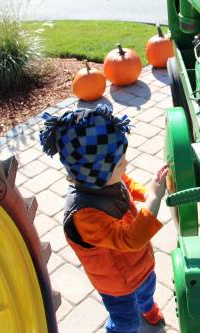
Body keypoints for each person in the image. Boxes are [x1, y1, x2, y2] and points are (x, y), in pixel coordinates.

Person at [39, 104, 168, 333]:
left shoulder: (105, 179)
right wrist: (155, 200)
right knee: (126, 322)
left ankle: (148, 308)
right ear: (96, 172)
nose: (125, 164)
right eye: (120, 162)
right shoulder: (84, 216)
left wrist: (146, 193)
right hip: (118, 285)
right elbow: (130, 239)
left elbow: (125, 183)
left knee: (147, 291)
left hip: (142, 267)